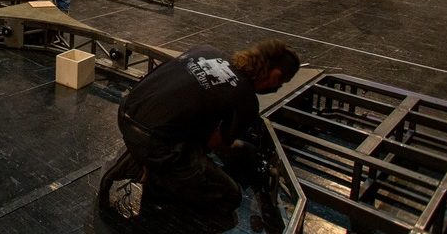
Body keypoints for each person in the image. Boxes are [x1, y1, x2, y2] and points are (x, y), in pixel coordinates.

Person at [98, 40, 300, 218]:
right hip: (153, 141)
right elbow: (214, 144)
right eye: (282, 82)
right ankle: (151, 173)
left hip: (127, 112)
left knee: (192, 129)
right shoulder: (246, 99)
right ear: (275, 76)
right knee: (229, 196)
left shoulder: (207, 50)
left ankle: (144, 157)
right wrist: (235, 143)